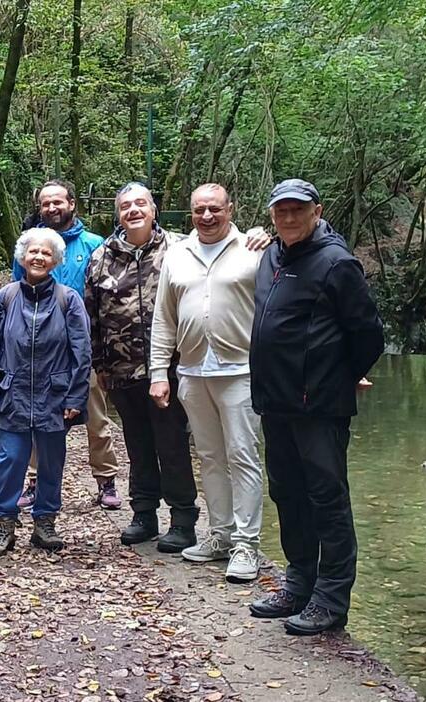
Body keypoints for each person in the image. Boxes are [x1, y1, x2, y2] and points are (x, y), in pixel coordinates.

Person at [246, 179, 383, 635]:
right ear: (272, 215)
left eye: (297, 210)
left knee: (327, 500)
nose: (288, 218)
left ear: (316, 211)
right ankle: (299, 583)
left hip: (319, 408)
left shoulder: (337, 262)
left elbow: (368, 335)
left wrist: (335, 378)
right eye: (280, 211)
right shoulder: (271, 257)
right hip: (275, 403)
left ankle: (330, 599)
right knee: (287, 495)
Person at [149, 183, 266, 582]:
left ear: (230, 209)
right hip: (193, 371)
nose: (207, 216)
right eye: (200, 210)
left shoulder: (253, 249)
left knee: (243, 455)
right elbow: (163, 318)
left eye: (215, 209)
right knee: (211, 457)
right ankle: (220, 535)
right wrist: (158, 372)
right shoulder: (177, 255)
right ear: (191, 213)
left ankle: (247, 545)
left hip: (241, 370)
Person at [87, 182, 198, 553]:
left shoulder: (182, 248)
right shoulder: (102, 256)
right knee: (137, 443)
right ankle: (144, 513)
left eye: (140, 204)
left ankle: (183, 519)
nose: (133, 211)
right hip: (122, 370)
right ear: (117, 214)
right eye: (125, 206)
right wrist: (99, 363)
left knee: (173, 442)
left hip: (171, 367)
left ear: (153, 210)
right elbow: (93, 315)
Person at [12, 180, 121, 511]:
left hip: (82, 346)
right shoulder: (30, 244)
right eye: (45, 203)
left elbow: (109, 295)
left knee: (96, 416)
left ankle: (106, 480)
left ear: (72, 204)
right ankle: (33, 481)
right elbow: (17, 290)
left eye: (58, 202)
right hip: (37, 348)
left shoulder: (94, 245)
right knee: (34, 416)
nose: (52, 208)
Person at [0, 228, 91, 557]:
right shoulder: (6, 297)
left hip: (54, 396)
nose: (39, 257)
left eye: (46, 253)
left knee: (51, 463)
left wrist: (75, 397)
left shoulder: (68, 300)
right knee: (10, 460)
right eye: (33, 252)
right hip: (12, 394)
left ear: (56, 260)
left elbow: (81, 351)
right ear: (22, 256)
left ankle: (44, 523)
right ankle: (4, 524)